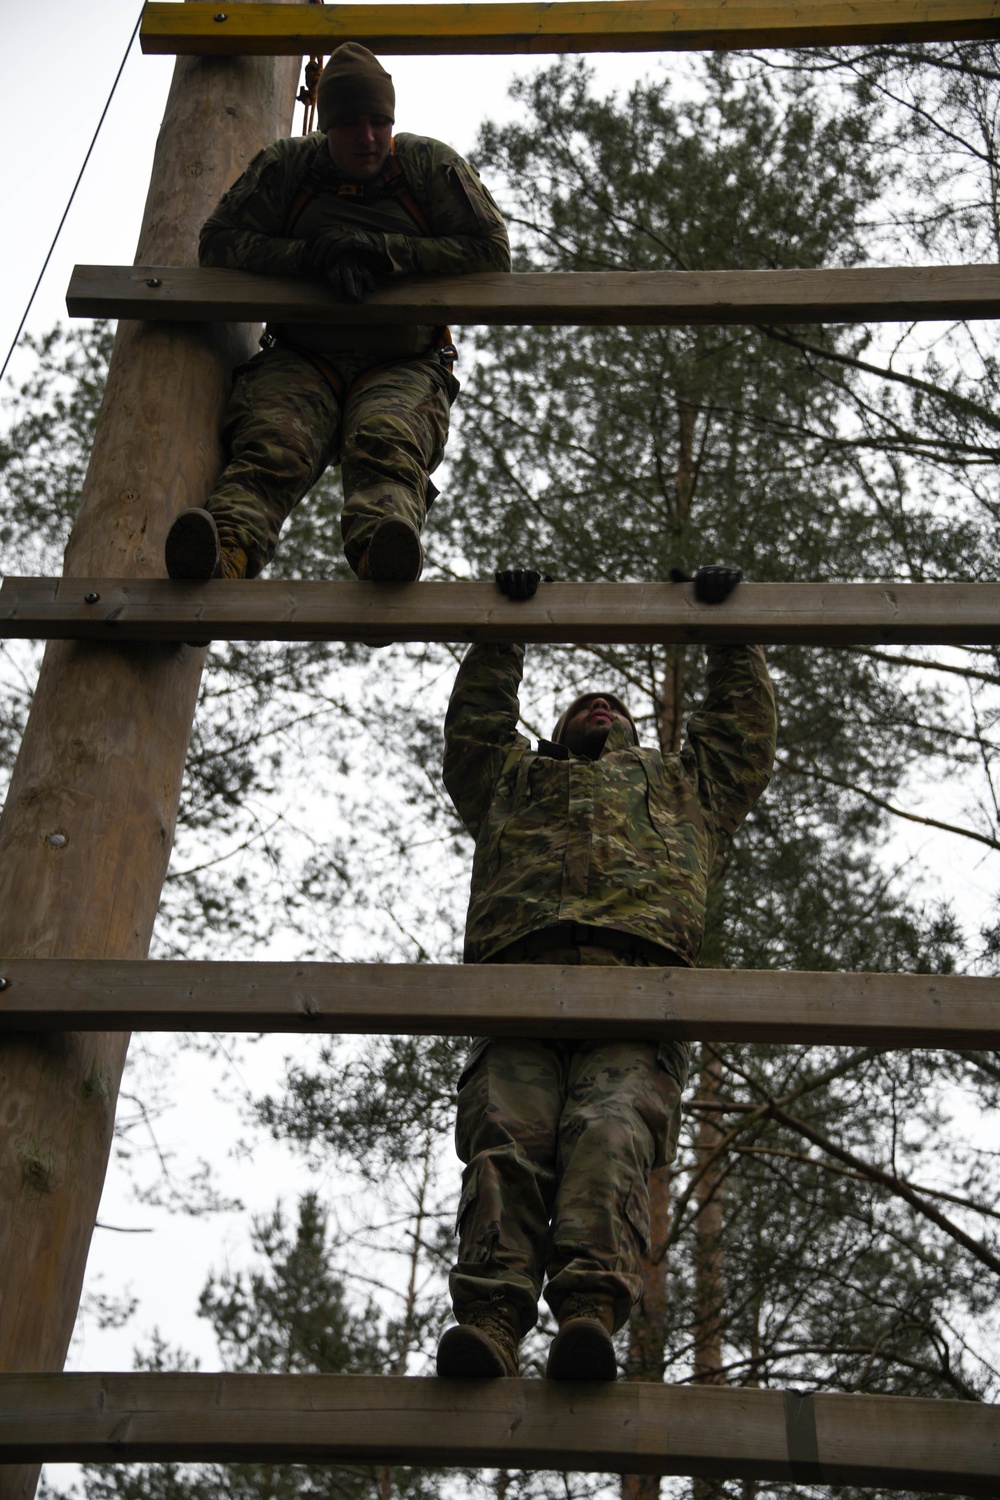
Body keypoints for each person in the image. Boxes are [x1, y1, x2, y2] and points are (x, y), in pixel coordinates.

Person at [436, 567, 776, 1380]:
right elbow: (476, 728)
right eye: (585, 701)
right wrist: (502, 631)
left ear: (634, 730)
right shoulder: (513, 782)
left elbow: (739, 734)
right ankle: (489, 1320)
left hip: (636, 997)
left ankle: (589, 1313)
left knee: (612, 1140)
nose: (602, 704)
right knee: (503, 1149)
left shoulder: (682, 785)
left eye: (617, 704)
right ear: (556, 726)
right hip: (519, 993)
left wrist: (728, 633)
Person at [164, 43, 510, 585]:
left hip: (401, 359)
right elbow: (219, 242)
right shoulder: (287, 169)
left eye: (379, 122)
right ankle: (222, 557)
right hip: (305, 356)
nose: (368, 138)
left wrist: (388, 252)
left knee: (387, 442)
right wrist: (306, 256)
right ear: (326, 126)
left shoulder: (427, 168)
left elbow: (491, 250)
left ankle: (383, 556)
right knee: (273, 446)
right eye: (350, 124)